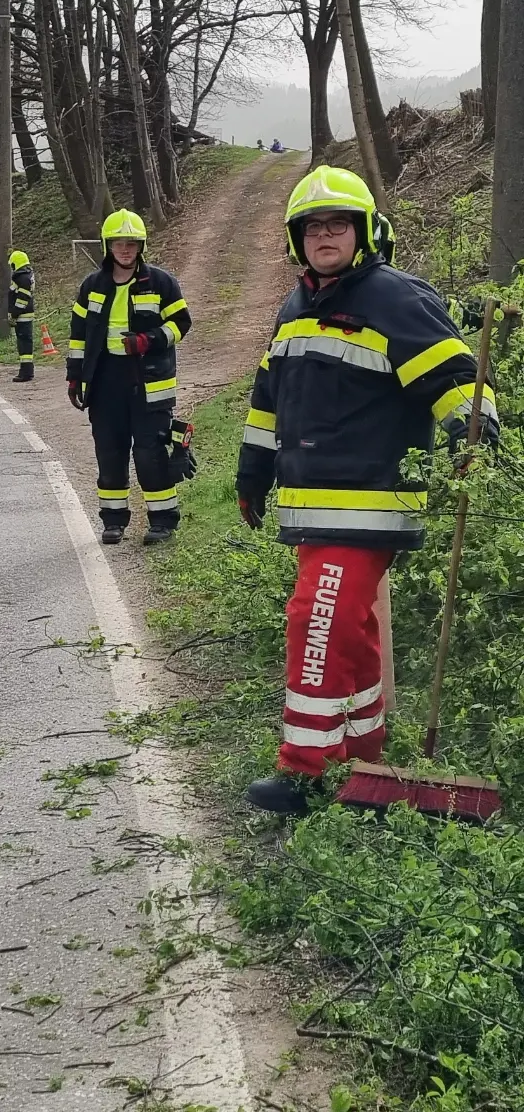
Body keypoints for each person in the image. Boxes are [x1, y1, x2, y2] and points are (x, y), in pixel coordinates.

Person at [236, 166, 498, 815]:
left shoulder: (393, 298)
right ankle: (362, 755)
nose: (325, 235)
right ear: (297, 240)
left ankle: (305, 771)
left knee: (315, 621)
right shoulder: (294, 308)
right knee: (348, 633)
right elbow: (270, 401)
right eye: (313, 226)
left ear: (364, 232)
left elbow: (454, 373)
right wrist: (251, 470)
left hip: (369, 505)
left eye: (338, 223)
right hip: (311, 509)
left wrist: (475, 429)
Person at [66, 209, 191, 545]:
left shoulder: (162, 283)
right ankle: (113, 520)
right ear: (108, 246)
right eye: (119, 243)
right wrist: (74, 376)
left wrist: (148, 341)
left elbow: (181, 324)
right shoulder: (92, 287)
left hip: (149, 383)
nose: (125, 249)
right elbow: (78, 336)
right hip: (106, 380)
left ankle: (163, 521)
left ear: (141, 246)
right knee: (110, 451)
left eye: (132, 243)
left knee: (150, 453)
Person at [8, 249, 36, 382]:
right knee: (24, 344)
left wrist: (14, 314)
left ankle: (26, 373)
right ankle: (25, 371)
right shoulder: (24, 276)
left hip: (22, 316)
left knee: (24, 344)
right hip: (23, 315)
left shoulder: (23, 278)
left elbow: (22, 299)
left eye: (12, 265)